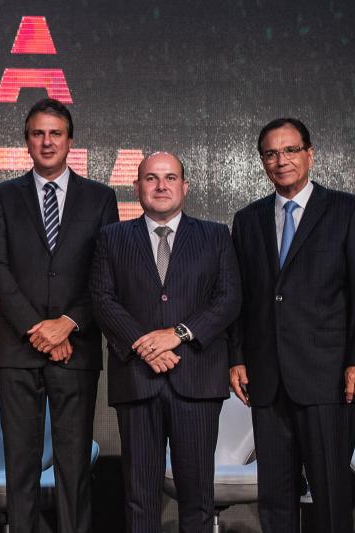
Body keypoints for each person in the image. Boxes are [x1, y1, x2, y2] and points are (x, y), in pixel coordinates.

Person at [0, 98, 119, 533]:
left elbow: (106, 273)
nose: (46, 141)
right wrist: (37, 329)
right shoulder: (2, 196)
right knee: (20, 464)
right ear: (26, 142)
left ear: (70, 140)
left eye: (55, 133)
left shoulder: (100, 198)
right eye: (38, 134)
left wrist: (67, 324)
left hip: (75, 349)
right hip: (18, 350)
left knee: (73, 466)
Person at [230, 118, 355, 533]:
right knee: (275, 499)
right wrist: (236, 357)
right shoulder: (248, 219)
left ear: (310, 154)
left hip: (330, 377)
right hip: (267, 378)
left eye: (291, 150)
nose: (282, 161)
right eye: (271, 153)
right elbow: (241, 297)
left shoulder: (348, 210)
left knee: (329, 496)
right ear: (262, 162)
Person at [90, 152, 241, 532]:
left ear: (185, 186)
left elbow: (228, 299)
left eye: (170, 177)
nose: (161, 186)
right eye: (152, 178)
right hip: (137, 380)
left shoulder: (215, 235)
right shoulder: (112, 237)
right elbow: (102, 298)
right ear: (137, 186)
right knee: (139, 497)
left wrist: (176, 335)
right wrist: (144, 344)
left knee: (198, 497)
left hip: (197, 380)